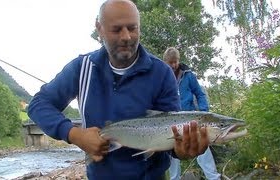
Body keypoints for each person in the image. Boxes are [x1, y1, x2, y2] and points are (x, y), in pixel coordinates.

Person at [28, 0, 209, 179]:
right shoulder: (81, 68)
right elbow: (38, 104)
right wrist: (74, 134)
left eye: (132, 28)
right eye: (116, 29)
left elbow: (170, 139)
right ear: (99, 28)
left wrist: (183, 151)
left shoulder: (162, 74)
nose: (126, 37)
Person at [163, 47, 221, 180]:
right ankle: (174, 178)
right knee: (172, 149)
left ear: (179, 60)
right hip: (171, 120)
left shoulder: (188, 75)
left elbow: (200, 94)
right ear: (165, 62)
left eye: (175, 61)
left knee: (202, 146)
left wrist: (204, 112)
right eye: (170, 62)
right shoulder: (163, 76)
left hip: (191, 118)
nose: (173, 65)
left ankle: (214, 177)